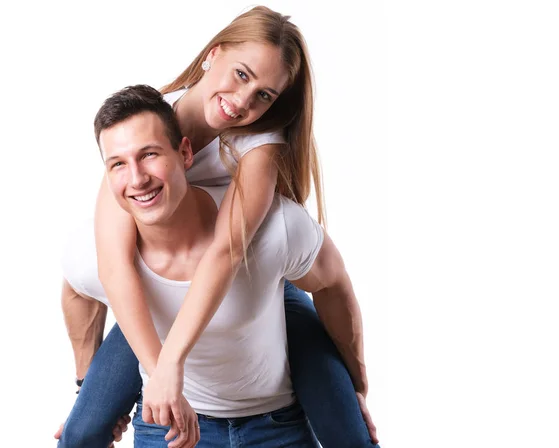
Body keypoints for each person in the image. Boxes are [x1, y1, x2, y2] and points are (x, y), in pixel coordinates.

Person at [57, 6, 378, 448]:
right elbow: (113, 266)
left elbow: (227, 251)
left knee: (348, 431)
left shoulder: (258, 144)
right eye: (242, 75)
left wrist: (355, 383)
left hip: (254, 284)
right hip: (161, 284)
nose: (244, 102)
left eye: (265, 95)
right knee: (82, 431)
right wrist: (150, 375)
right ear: (213, 54)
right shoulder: (145, 125)